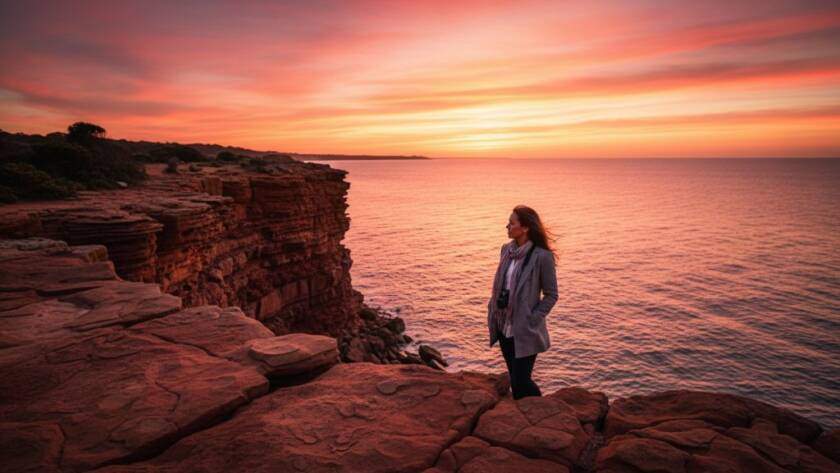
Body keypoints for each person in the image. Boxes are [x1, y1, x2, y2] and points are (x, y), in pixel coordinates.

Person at [487, 205, 558, 399]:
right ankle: (528, 417)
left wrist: (531, 318)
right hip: (503, 324)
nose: (506, 226)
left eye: (511, 223)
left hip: (524, 328)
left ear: (525, 227)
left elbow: (551, 295)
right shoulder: (506, 250)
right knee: (514, 378)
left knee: (521, 380)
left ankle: (541, 412)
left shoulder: (542, 257)